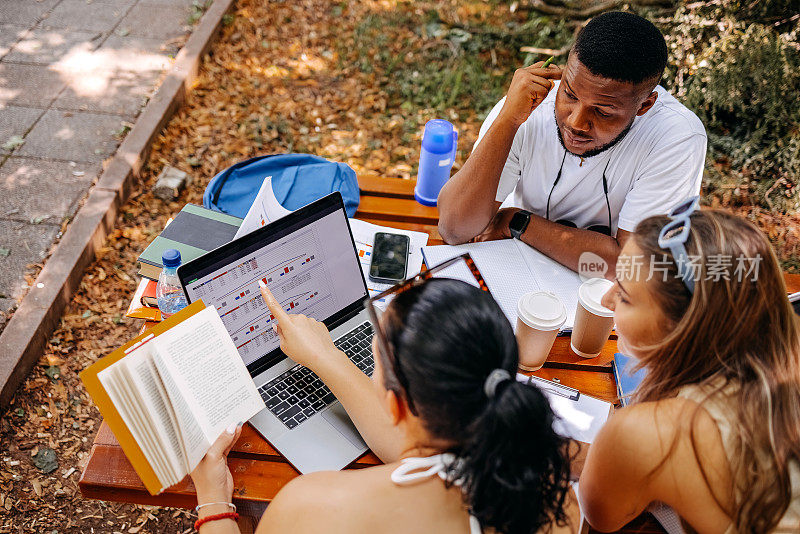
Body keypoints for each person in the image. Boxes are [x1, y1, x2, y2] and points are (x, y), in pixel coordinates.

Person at [190, 277, 575, 533]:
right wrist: (326, 357)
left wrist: (213, 499)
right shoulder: (554, 492)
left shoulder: (308, 509)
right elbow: (421, 452)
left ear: (394, 406)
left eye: (373, 363)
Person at [579, 204, 800, 532]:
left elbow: (601, 515)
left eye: (624, 296)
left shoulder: (645, 435)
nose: (607, 301)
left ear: (679, 328)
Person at [437, 11, 707, 277]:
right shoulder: (528, 105)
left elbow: (631, 266)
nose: (577, 122)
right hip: (513, 267)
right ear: (565, 72)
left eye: (603, 112)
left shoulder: (677, 137)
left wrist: (517, 221)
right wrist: (508, 120)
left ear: (644, 106)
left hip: (602, 298)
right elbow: (454, 228)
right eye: (569, 94)